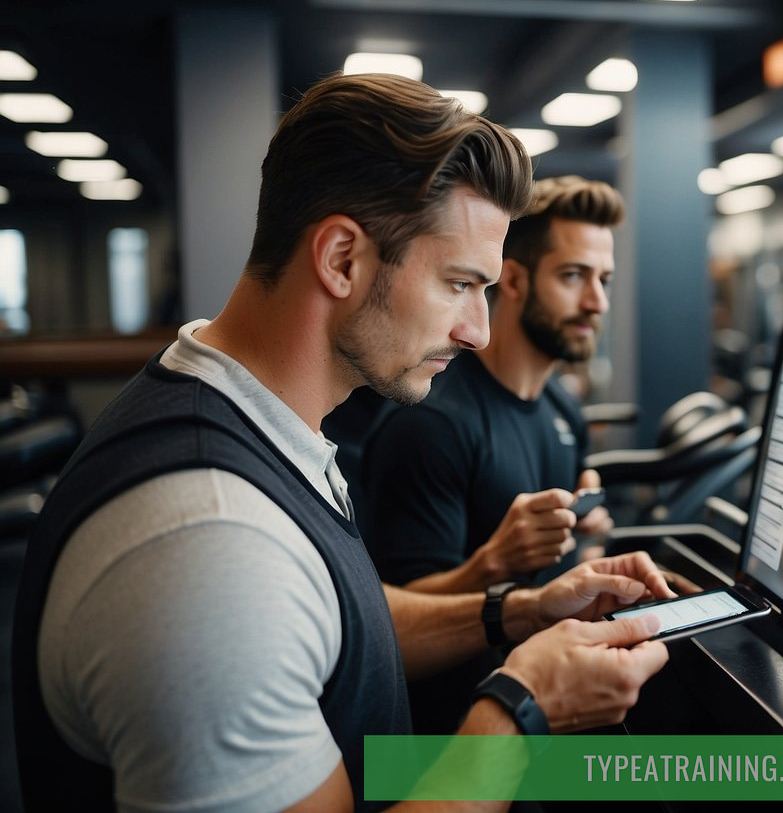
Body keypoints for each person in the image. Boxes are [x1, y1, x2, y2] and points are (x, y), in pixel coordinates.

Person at [11, 72, 672, 812]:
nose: (478, 331)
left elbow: (337, 625)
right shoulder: (212, 544)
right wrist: (522, 708)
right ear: (341, 260)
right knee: (727, 778)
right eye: (459, 284)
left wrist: (520, 610)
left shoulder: (252, 421)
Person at [361, 175, 623, 594]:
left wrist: (586, 533)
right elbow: (393, 617)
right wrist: (496, 563)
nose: (597, 303)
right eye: (574, 276)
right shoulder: (432, 424)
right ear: (514, 280)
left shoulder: (563, 407)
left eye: (603, 280)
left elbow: (558, 571)